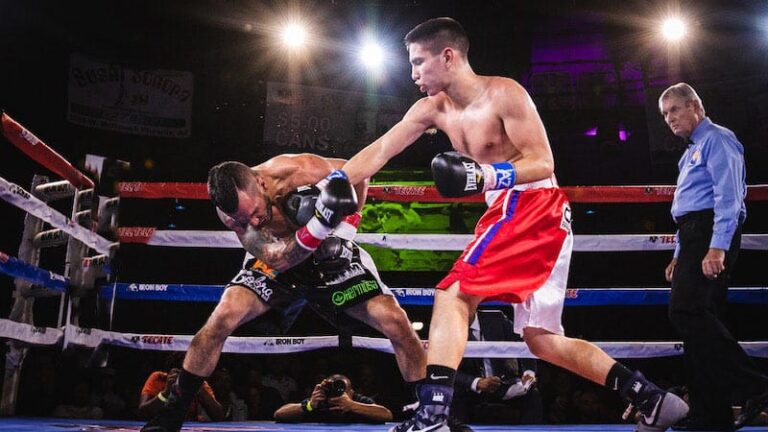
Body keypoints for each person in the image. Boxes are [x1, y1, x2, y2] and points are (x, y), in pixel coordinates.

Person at [339, 17, 689, 432]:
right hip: (525, 213)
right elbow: (380, 150)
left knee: (453, 294)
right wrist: (331, 183)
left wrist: (488, 175)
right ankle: (651, 399)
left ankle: (432, 414)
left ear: (447, 56)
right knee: (542, 341)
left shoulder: (504, 93)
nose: (413, 73)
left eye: (418, 62)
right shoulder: (431, 109)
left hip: (533, 203)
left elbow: (543, 161)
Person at [141, 154, 426, 432]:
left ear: (260, 183)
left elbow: (359, 172)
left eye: (254, 212)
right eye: (243, 219)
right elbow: (272, 256)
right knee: (220, 319)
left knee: (396, 321)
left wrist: (345, 231)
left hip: (327, 254)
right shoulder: (231, 212)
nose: (252, 222)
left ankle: (428, 412)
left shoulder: (298, 170)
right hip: (277, 255)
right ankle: (171, 415)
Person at [658, 82, 768, 430]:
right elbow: (687, 209)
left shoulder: (718, 139)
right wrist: (680, 252)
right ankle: (711, 414)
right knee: (699, 322)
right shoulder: (691, 151)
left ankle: (756, 387)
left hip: (710, 235)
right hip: (694, 237)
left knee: (685, 310)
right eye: (665, 114)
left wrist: (717, 246)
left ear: (695, 106)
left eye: (675, 109)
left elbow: (729, 197)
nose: (669, 118)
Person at [452, 310, 542, 425]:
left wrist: (528, 373)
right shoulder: (447, 328)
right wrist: (476, 382)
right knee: (453, 395)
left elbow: (524, 342)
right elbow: (442, 367)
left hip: (502, 385)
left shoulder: (496, 319)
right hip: (469, 390)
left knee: (532, 394)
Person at [273, 374, 392, 423]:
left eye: (343, 391)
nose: (338, 395)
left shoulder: (358, 401)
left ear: (351, 393)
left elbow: (387, 415)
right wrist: (309, 405)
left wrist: (351, 405)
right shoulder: (320, 402)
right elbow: (279, 414)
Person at [137, 360, 225, 422]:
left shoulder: (198, 383)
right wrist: (166, 392)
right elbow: (142, 413)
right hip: (158, 424)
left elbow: (219, 416)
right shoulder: (159, 378)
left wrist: (199, 389)